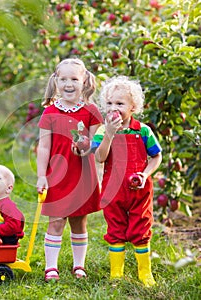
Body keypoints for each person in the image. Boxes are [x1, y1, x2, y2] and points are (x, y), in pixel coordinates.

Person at [36, 58, 103, 282]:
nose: (69, 83)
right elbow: (44, 147)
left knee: (78, 221)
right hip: (57, 175)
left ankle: (78, 265)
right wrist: (41, 176)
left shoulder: (91, 112)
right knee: (56, 221)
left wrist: (85, 148)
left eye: (74, 79)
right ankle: (51, 267)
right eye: (63, 79)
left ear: (84, 81)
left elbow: (96, 143)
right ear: (56, 81)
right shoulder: (50, 112)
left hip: (82, 174)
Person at [91, 75, 162, 287]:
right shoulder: (104, 131)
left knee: (141, 229)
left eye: (120, 103)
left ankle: (145, 273)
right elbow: (100, 158)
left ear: (133, 107)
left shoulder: (143, 131)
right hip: (113, 190)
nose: (114, 107)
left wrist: (145, 174)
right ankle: (116, 273)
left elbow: (156, 156)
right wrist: (110, 135)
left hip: (139, 189)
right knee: (115, 228)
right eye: (110, 103)